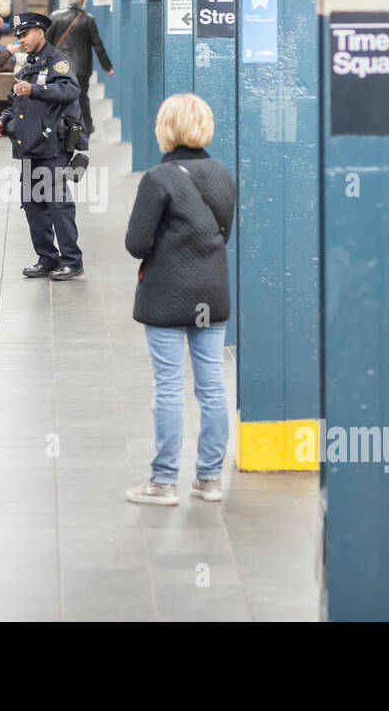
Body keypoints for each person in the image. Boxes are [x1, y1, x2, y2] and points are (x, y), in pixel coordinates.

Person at [123, 94, 236, 507]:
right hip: (212, 291)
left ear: (166, 129)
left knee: (169, 388)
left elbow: (137, 244)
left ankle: (164, 482)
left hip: (167, 295)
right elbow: (223, 234)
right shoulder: (223, 174)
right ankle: (209, 479)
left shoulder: (158, 178)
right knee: (212, 387)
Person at [0, 12, 84, 280]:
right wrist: (1, 121)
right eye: (18, 36)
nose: (20, 40)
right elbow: (13, 103)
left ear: (40, 32)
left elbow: (69, 91)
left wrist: (36, 91)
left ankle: (72, 260)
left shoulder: (59, 62)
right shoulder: (26, 67)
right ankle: (46, 258)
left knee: (57, 204)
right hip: (30, 145)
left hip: (53, 145)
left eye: (24, 34)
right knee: (33, 204)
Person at [47, 0, 114, 138]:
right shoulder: (88, 19)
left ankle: (64, 126)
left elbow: (47, 43)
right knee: (82, 95)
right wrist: (107, 66)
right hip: (82, 68)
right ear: (84, 0)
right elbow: (97, 44)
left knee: (59, 95)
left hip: (60, 67)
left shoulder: (55, 16)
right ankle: (84, 127)